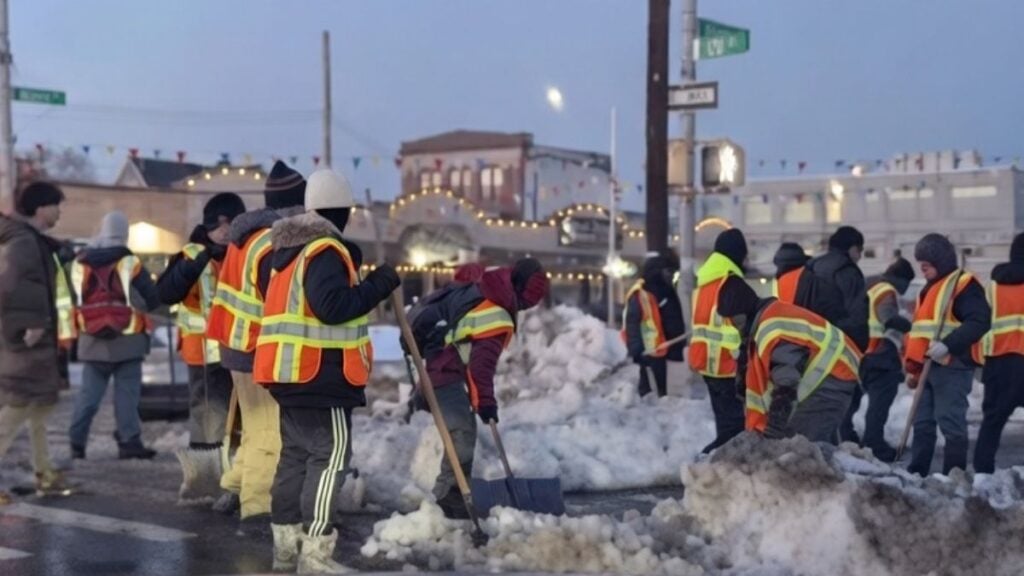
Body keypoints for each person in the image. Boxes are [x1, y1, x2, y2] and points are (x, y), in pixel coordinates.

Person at [254, 169, 402, 573]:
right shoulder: (323, 250)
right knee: (331, 458)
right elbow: (333, 307)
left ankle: (285, 550)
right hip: (321, 375)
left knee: (295, 460)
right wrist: (380, 284)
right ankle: (316, 553)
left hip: (291, 375)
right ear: (343, 211)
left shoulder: (287, 254)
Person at [205, 160, 306, 528]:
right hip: (255, 346)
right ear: (295, 205)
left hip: (236, 343)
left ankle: (233, 487)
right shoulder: (272, 241)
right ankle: (258, 509)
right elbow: (276, 297)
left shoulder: (248, 236)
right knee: (269, 434)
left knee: (254, 425)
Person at [424, 257, 549, 520]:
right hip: (444, 372)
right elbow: (480, 369)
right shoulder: (497, 315)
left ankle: (453, 492)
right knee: (462, 432)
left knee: (462, 430)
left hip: (436, 365)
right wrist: (487, 404)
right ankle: (449, 496)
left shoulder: (485, 289)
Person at [717, 275, 861, 442]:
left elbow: (786, 382)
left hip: (835, 372)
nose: (732, 326)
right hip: (833, 371)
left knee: (800, 446)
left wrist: (774, 428)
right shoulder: (766, 320)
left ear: (741, 315)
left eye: (731, 320)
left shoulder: (771, 329)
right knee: (805, 444)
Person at [157, 193, 246, 453]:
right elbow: (164, 293)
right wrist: (189, 268)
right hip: (203, 352)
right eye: (219, 224)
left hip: (238, 349)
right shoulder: (192, 254)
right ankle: (206, 470)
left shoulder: (243, 254)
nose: (224, 231)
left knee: (237, 413)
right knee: (207, 413)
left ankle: (234, 469)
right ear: (208, 224)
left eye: (230, 223)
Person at [0, 181, 71, 502]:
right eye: (57, 205)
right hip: (26, 340)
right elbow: (9, 286)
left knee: (41, 407)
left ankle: (45, 472)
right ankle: (44, 472)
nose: (59, 211)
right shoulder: (23, 243)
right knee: (17, 408)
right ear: (41, 207)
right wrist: (24, 327)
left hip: (37, 338)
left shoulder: (32, 241)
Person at [68, 211, 160, 459]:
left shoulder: (80, 263)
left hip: (92, 339)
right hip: (128, 340)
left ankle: (75, 443)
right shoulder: (130, 263)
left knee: (89, 396)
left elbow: (72, 299)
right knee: (127, 395)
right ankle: (129, 442)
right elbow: (152, 299)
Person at [905, 234, 990, 476]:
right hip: (928, 366)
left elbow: (980, 321)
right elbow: (920, 332)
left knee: (950, 421)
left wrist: (949, 345)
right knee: (922, 423)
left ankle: (954, 476)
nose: (922, 266)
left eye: (927, 262)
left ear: (941, 261)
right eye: (920, 262)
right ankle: (917, 474)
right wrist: (915, 368)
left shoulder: (963, 285)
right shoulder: (928, 289)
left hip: (952, 365)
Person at [806, 226, 869, 443]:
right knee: (843, 399)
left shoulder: (811, 267)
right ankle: (837, 446)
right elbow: (857, 314)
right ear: (852, 248)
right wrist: (859, 349)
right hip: (840, 346)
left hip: (811, 343)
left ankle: (821, 445)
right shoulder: (847, 271)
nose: (860, 256)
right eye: (860, 250)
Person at [690, 229, 746, 453]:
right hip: (727, 364)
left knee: (725, 423)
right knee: (733, 426)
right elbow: (739, 324)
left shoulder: (706, 282)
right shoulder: (730, 282)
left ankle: (715, 462)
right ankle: (715, 463)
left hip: (707, 362)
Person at [974, 233, 1024, 473]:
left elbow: (978, 323)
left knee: (992, 422)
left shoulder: (992, 288)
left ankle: (983, 475)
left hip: (999, 364)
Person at [860, 257, 915, 461]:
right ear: (900, 279)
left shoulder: (871, 285)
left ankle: (857, 439)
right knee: (879, 405)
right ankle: (874, 446)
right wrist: (910, 325)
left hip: (865, 353)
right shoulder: (886, 291)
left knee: (862, 403)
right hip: (881, 355)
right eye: (907, 283)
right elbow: (888, 318)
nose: (906, 289)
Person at [623, 251, 686, 397]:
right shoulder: (641, 294)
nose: (672, 276)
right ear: (658, 272)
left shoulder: (668, 292)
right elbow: (632, 325)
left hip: (668, 352)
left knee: (668, 399)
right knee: (653, 398)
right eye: (670, 272)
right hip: (650, 356)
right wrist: (637, 352)